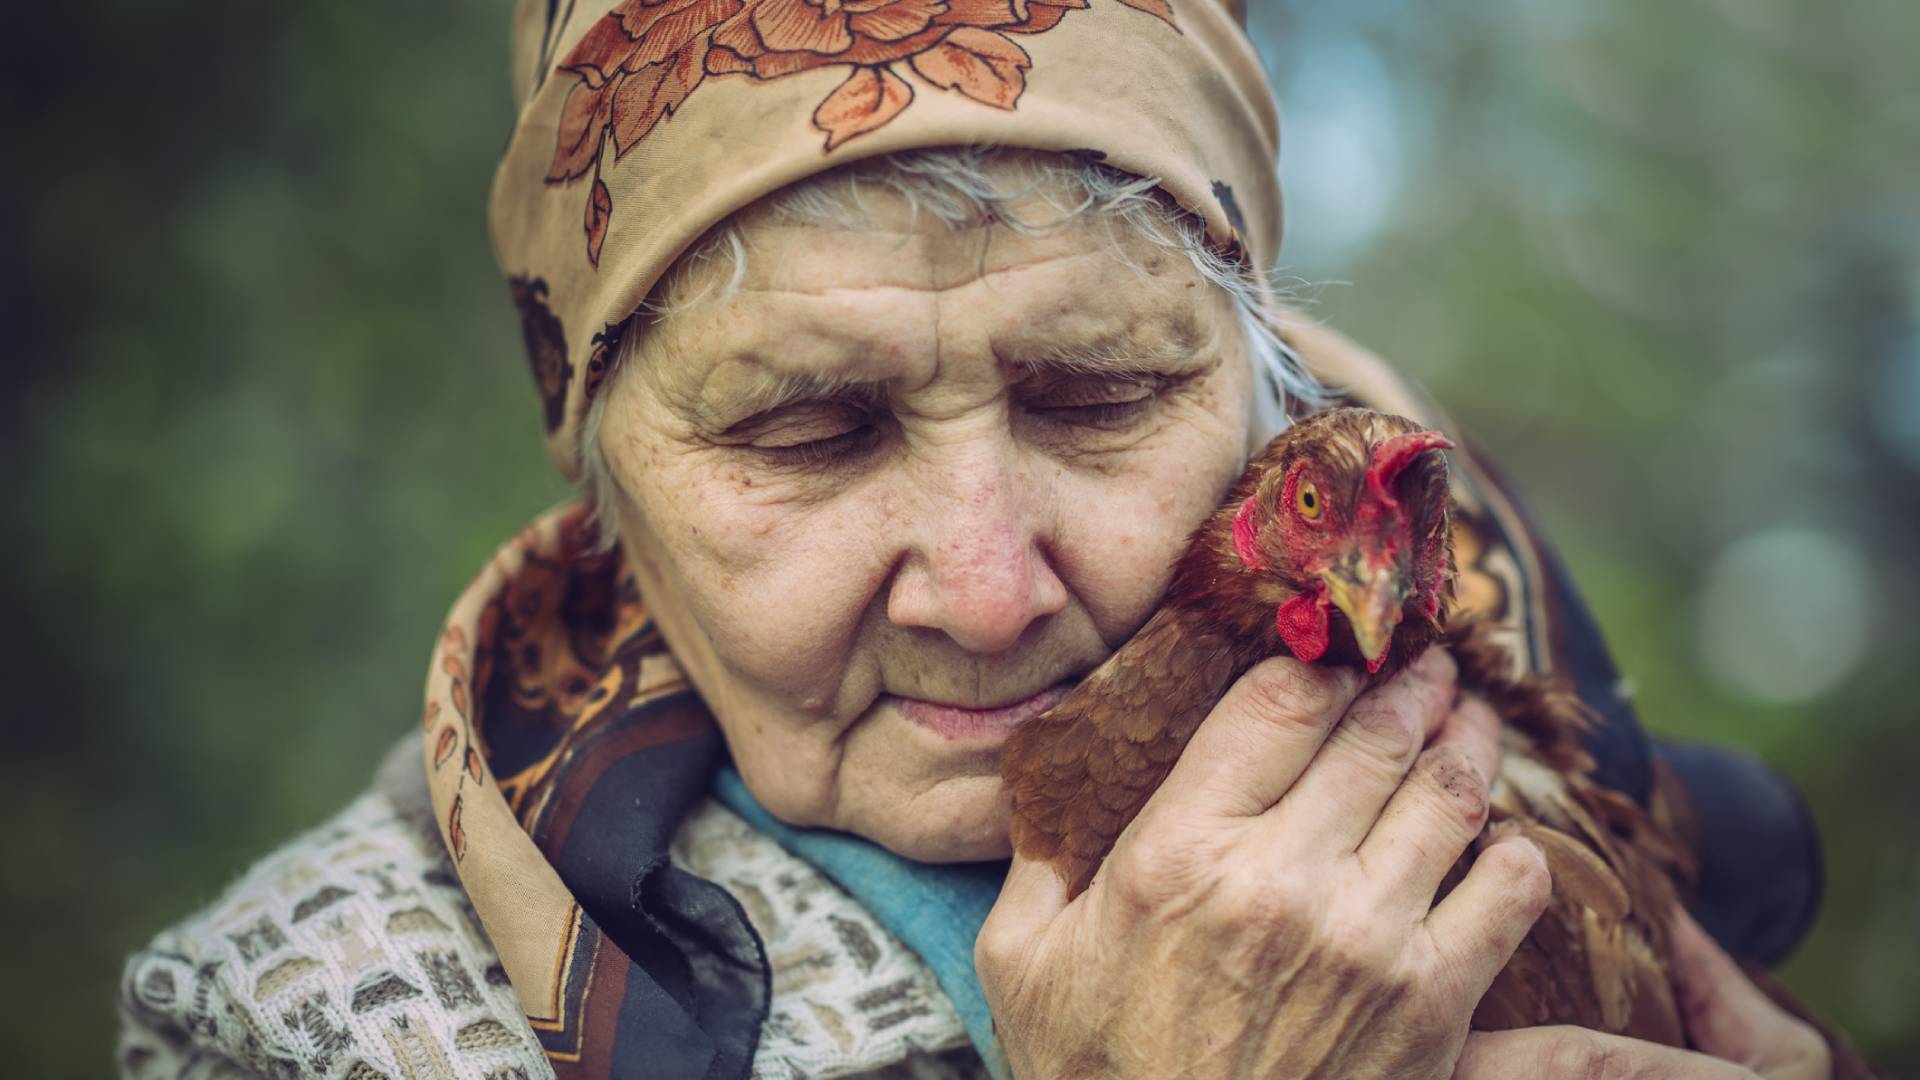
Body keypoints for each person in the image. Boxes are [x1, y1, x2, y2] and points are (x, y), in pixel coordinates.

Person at [120, 0, 1852, 1077]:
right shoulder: (310, 1024)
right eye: (809, 429)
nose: (985, 583)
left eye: (1097, 398)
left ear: (1264, 401)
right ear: (606, 485)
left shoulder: (1558, 771)